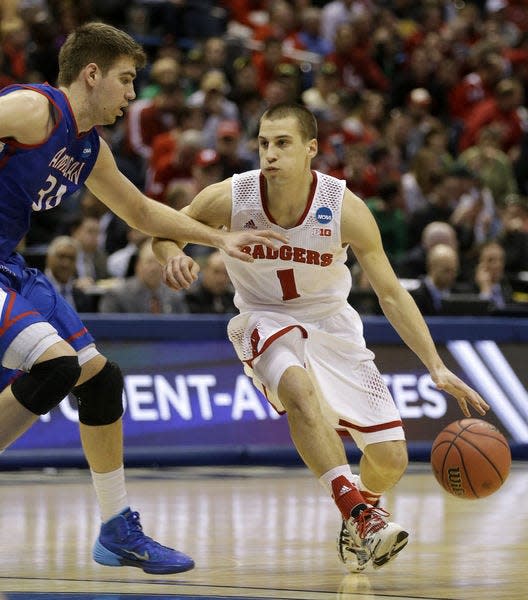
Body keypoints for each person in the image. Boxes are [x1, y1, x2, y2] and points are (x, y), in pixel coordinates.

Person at [152, 104, 489, 572]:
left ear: (311, 149)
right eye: (264, 143)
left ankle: (362, 511)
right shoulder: (231, 197)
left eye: (283, 143)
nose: (270, 154)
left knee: (390, 460)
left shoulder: (345, 207)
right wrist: (172, 255)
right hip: (262, 317)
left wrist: (435, 365)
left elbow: (391, 294)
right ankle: (359, 514)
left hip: (332, 324)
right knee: (296, 387)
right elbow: (164, 228)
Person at [0, 22, 285, 575]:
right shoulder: (36, 110)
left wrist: (220, 238)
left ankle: (116, 530)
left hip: (10, 265)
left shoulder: (87, 148)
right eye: (126, 80)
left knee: (101, 381)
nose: (133, 94)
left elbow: (140, 213)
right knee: (56, 367)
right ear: (91, 74)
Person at [99, 240, 188, 314]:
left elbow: (185, 330)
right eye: (149, 262)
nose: (154, 268)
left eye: (159, 263)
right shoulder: (117, 296)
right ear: (138, 266)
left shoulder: (175, 297)